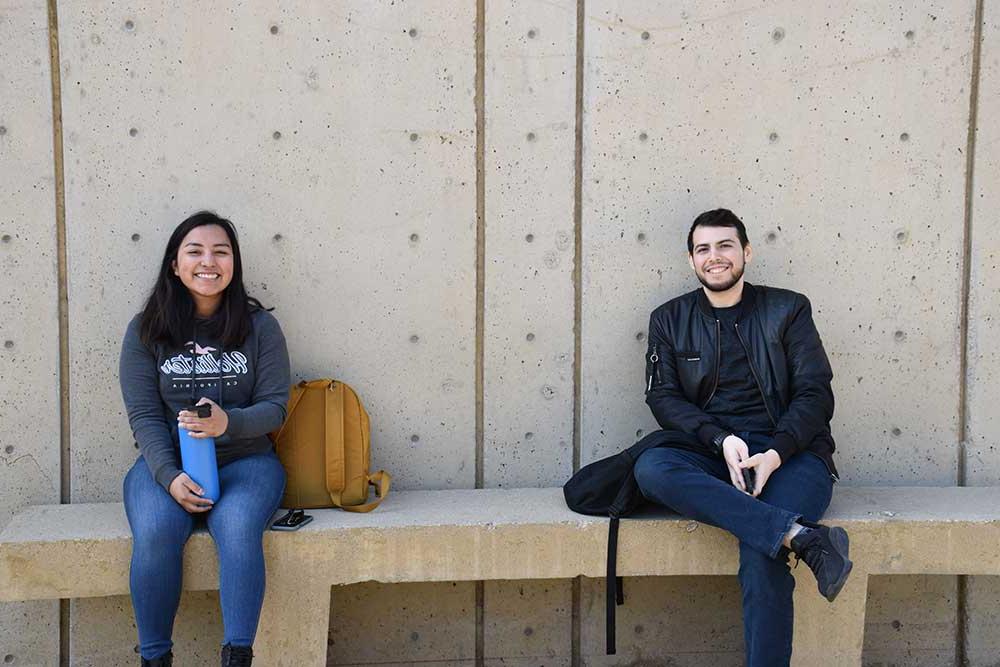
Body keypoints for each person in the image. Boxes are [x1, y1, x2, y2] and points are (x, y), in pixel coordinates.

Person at [634, 208, 851, 667]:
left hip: (793, 455)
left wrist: (774, 452)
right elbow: (664, 400)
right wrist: (719, 439)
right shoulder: (668, 319)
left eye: (725, 246)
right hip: (713, 453)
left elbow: (815, 394)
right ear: (691, 260)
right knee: (652, 467)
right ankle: (801, 537)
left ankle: (782, 533)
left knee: (760, 553)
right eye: (703, 249)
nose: (715, 257)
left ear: (746, 252)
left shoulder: (788, 309)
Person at [119, 211, 290, 667]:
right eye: (195, 251)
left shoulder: (260, 328)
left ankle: (237, 656)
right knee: (155, 532)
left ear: (234, 263)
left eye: (221, 251)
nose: (208, 261)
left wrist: (227, 424)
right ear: (175, 264)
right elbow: (143, 416)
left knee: (237, 530)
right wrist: (169, 476)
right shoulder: (145, 330)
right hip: (166, 464)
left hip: (246, 462)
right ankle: (154, 658)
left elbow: (275, 408)